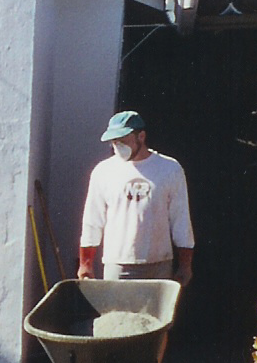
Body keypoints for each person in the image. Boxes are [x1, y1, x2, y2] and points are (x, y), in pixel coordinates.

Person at [76, 111, 194, 285]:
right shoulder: (103, 172)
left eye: (123, 140)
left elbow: (181, 220)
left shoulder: (169, 169)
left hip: (159, 265)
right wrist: (85, 264)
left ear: (141, 136)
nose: (118, 146)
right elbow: (92, 220)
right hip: (118, 264)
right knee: (118, 312)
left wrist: (185, 265)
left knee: (155, 313)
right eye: (114, 142)